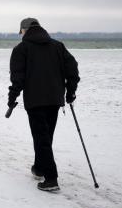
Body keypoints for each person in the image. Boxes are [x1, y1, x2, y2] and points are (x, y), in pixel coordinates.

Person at [7, 17, 79, 192]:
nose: (21, 35)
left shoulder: (21, 49)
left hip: (35, 100)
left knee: (41, 138)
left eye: (21, 32)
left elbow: (18, 78)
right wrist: (70, 92)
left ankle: (51, 178)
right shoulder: (57, 46)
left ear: (24, 30)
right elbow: (73, 70)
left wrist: (12, 97)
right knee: (45, 137)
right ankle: (39, 168)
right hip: (54, 99)